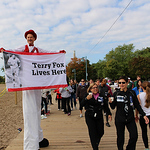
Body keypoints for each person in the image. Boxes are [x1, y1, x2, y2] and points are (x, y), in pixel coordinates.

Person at [0, 29, 65, 150]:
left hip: (36, 83)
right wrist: (5, 51)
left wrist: (59, 52)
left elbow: (49, 53)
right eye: (28, 37)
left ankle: (39, 137)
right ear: (26, 39)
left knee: (36, 109)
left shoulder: (37, 50)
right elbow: (13, 51)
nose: (30, 39)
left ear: (34, 39)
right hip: (27, 83)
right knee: (30, 111)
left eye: (31, 37)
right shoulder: (23, 48)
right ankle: (31, 144)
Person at [109, 76, 149, 150]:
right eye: (120, 83)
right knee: (120, 138)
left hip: (130, 118)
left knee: (134, 136)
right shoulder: (116, 93)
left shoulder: (131, 93)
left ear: (127, 83)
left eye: (123, 82)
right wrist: (111, 102)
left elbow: (137, 105)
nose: (121, 84)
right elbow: (113, 107)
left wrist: (143, 115)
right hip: (120, 119)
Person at [81, 83, 112, 150]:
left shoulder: (101, 96)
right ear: (90, 89)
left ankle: (96, 141)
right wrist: (86, 99)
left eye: (96, 87)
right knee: (92, 132)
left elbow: (105, 106)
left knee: (101, 131)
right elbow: (81, 104)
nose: (95, 89)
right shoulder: (88, 95)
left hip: (99, 115)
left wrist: (109, 114)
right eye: (93, 88)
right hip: (90, 115)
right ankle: (95, 147)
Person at [135, 81, 150, 150]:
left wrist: (136, 115)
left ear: (141, 87)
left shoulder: (139, 95)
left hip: (143, 116)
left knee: (144, 132)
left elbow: (138, 107)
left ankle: (146, 147)